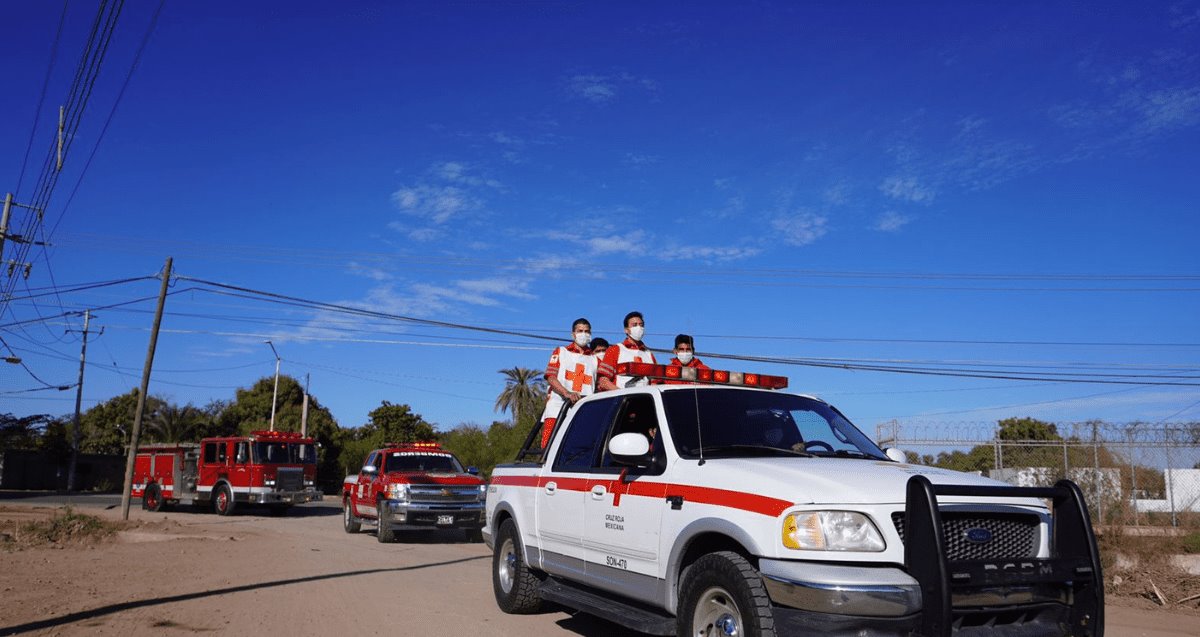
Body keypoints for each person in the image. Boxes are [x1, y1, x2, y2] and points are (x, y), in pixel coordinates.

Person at [540, 318, 597, 448]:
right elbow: (550, 376)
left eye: (587, 331)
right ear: (573, 334)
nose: (584, 334)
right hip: (557, 408)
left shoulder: (595, 359)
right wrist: (567, 393)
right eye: (580, 331)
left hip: (583, 411)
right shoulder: (561, 352)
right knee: (549, 447)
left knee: (580, 448)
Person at [597, 311, 656, 391]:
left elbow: (655, 382)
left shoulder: (649, 354)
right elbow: (603, 381)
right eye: (634, 325)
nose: (639, 328)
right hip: (622, 401)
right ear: (626, 330)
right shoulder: (615, 350)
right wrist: (620, 393)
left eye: (641, 325)